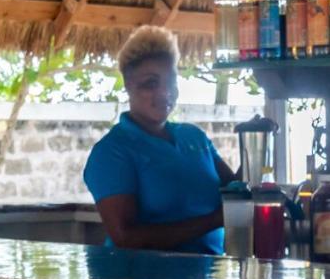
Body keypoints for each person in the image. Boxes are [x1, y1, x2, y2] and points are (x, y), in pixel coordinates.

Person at [83, 25, 236, 254]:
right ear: (128, 86)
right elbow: (127, 237)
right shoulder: (112, 152)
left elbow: (237, 193)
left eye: (171, 81)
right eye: (150, 83)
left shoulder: (194, 137)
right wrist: (214, 221)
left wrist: (257, 143)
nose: (165, 92)